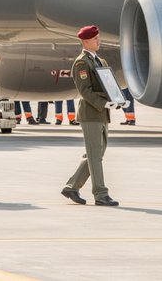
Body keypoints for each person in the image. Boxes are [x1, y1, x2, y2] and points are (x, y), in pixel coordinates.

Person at [61, 25, 121, 207]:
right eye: (96, 39)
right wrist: (103, 102)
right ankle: (101, 194)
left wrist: (116, 98)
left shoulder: (99, 61)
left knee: (95, 153)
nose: (99, 41)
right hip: (91, 113)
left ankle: (71, 187)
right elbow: (85, 90)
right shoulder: (81, 63)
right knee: (95, 156)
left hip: (102, 113)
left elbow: (107, 85)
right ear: (86, 41)